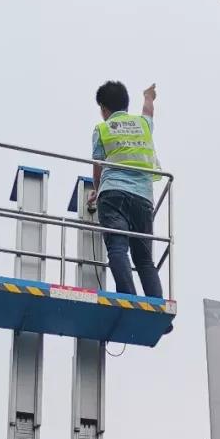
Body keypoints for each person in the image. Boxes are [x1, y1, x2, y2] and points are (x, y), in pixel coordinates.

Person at [90, 80, 163, 298]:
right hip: (142, 197)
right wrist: (148, 95)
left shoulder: (102, 129)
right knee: (144, 259)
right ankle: (157, 304)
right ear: (126, 104)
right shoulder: (142, 124)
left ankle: (128, 298)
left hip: (112, 194)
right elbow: (148, 110)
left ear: (104, 109)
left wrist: (97, 190)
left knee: (118, 249)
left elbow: (98, 168)